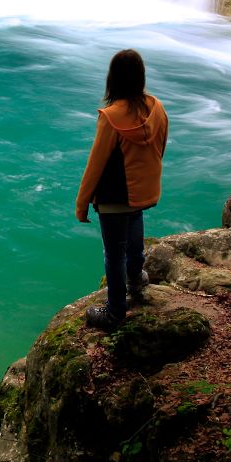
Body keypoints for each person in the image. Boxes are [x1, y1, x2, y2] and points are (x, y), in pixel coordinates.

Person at [74, 49, 169, 330]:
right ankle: (136, 279)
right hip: (141, 192)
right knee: (134, 235)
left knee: (113, 253)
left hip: (114, 197)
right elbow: (160, 147)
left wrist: (82, 204)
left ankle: (115, 311)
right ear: (140, 77)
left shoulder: (111, 116)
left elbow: (96, 163)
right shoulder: (156, 108)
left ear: (112, 79)